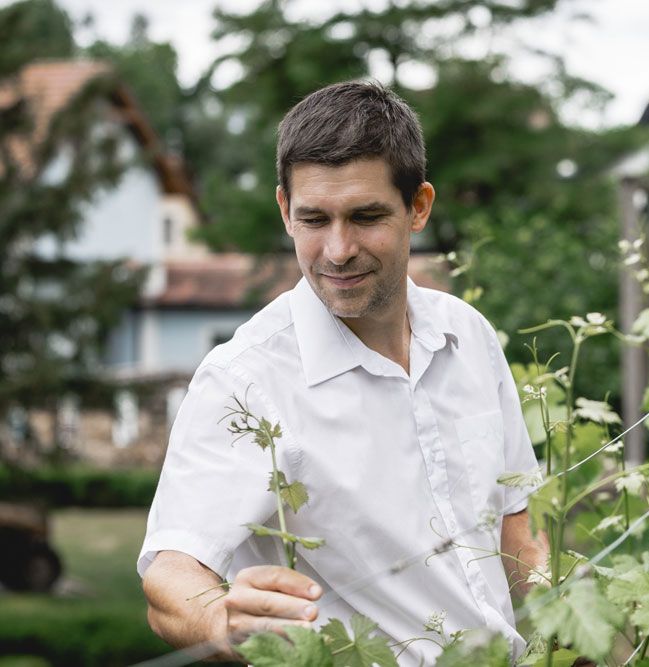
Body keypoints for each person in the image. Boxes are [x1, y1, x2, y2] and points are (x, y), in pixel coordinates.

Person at [139, 81, 547, 666]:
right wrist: (217, 614)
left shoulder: (468, 335)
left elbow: (516, 531)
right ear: (284, 210)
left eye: (365, 217)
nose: (337, 249)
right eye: (314, 219)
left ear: (419, 207)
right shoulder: (244, 380)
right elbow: (170, 575)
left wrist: (572, 623)